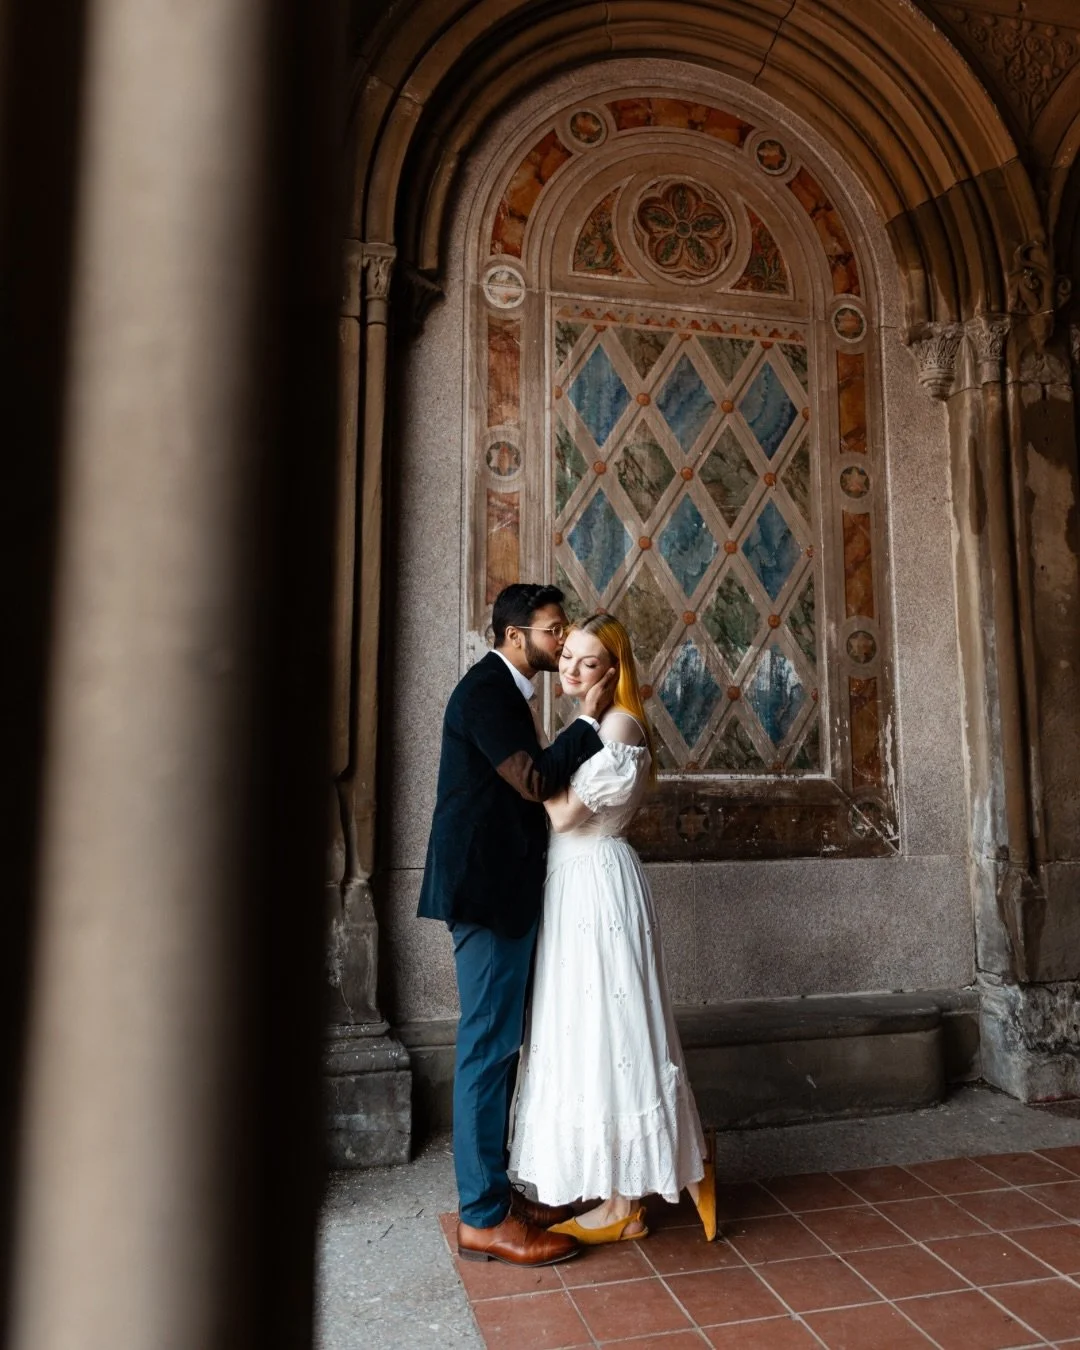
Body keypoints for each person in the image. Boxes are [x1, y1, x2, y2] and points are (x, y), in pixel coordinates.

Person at [417, 583, 615, 1267]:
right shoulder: (485, 692)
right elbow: (533, 782)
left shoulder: (506, 693)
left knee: (500, 1044)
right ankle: (482, 1218)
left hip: (501, 890)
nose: (561, 642)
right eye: (552, 631)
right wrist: (589, 724)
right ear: (513, 636)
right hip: (485, 894)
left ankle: (498, 1198)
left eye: (563, 631)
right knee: (487, 1047)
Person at [508, 613, 715, 1244]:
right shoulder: (593, 724)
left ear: (613, 671)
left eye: (587, 661)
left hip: (596, 884)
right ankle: (610, 1185)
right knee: (586, 1027)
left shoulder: (616, 724)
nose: (570, 669)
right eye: (566, 655)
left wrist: (538, 764)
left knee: (612, 1027)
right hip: (576, 885)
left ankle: (625, 1201)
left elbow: (564, 815)